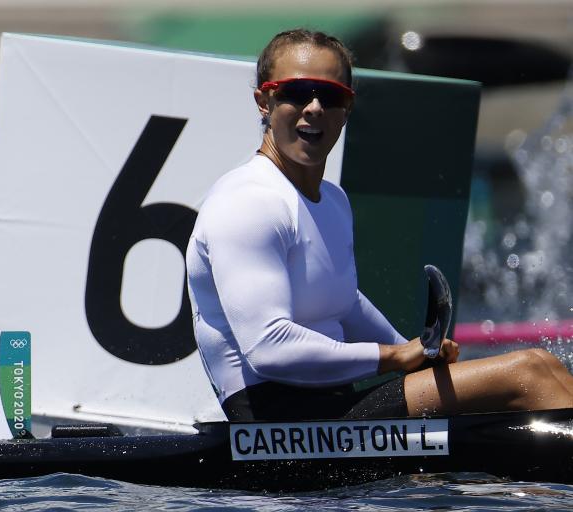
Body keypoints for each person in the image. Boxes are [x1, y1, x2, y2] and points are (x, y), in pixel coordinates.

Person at [186, 28, 573, 421]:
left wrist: (417, 352)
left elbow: (346, 302)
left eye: (331, 95)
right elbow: (268, 349)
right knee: (531, 372)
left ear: (347, 108)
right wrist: (392, 356)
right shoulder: (248, 202)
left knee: (549, 372)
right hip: (274, 424)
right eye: (297, 92)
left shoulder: (332, 201)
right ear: (264, 102)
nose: (315, 107)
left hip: (331, 408)